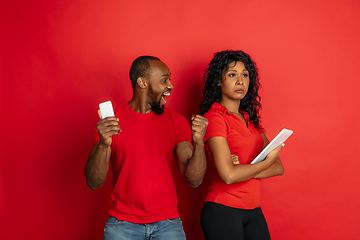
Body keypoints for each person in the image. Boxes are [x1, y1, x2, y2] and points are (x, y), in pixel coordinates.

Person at [85, 56, 208, 240]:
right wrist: (103, 144)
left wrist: (199, 143)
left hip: (167, 223)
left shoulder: (177, 122)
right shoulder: (110, 124)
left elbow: (194, 180)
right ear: (142, 82)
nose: (170, 86)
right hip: (122, 225)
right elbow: (94, 182)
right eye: (164, 80)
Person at [199, 50, 285, 240]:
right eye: (232, 75)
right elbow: (229, 176)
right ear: (219, 81)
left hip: (254, 211)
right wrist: (262, 163)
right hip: (223, 210)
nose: (240, 81)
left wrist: (241, 169)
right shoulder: (214, 118)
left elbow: (278, 168)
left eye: (244, 75)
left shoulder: (251, 120)